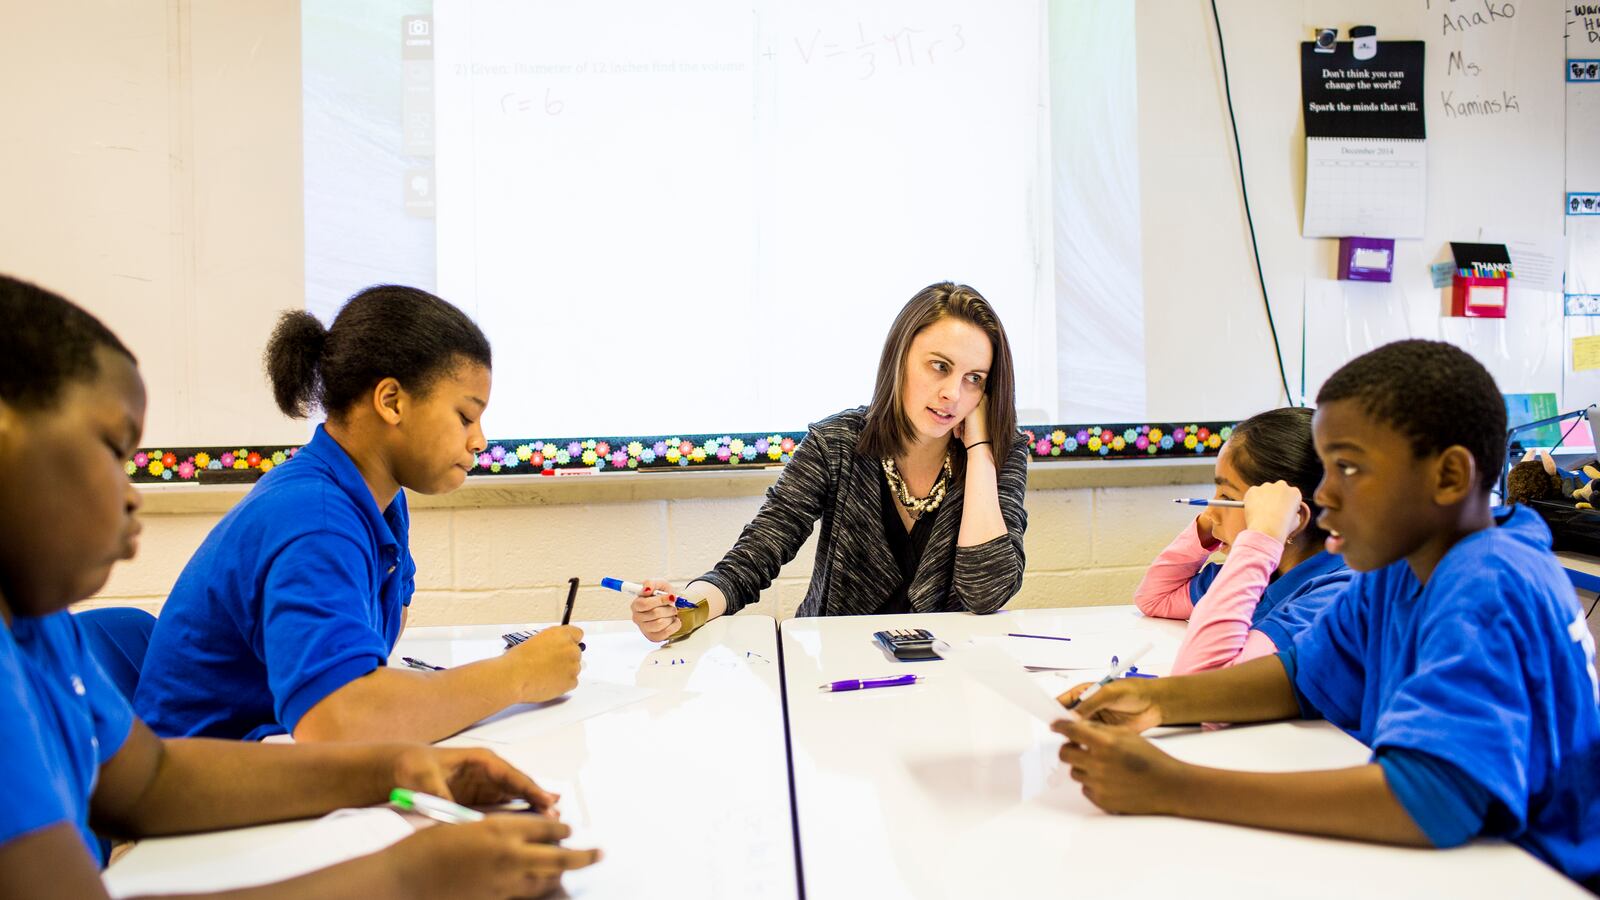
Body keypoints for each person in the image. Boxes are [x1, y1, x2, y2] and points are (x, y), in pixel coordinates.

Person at [0, 275, 598, 898]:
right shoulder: (313, 514)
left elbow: (149, 779)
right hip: (197, 840)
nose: (132, 494)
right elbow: (340, 718)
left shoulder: (38, 622)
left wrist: (390, 770)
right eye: (112, 450)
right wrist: (408, 876)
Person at [1055, 340, 1600, 892]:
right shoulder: (1401, 566)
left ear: (1449, 476)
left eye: (1348, 467)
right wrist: (1158, 701)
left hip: (1533, 874)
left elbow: (1429, 800)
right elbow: (1299, 678)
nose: (1323, 493)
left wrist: (1173, 786)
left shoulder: (1490, 583)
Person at [136, 286, 583, 743]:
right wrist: (515, 677)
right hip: (210, 783)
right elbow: (341, 721)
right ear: (391, 401)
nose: (479, 441)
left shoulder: (379, 499)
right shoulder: (316, 520)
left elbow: (371, 656)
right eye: (466, 417)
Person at [631, 282, 1029, 640]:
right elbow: (757, 554)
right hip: (835, 672)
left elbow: (987, 592)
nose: (952, 394)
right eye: (939, 366)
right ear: (900, 358)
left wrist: (980, 451)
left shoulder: (1000, 453)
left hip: (950, 679)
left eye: (974, 378)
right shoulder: (836, 443)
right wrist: (687, 610)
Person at [1133, 407, 1351, 674]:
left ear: (1292, 515)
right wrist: (1207, 528)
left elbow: (1203, 683)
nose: (1209, 513)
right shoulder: (1264, 573)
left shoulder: (1332, 598)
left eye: (1225, 497)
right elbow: (1155, 598)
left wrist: (1262, 539)